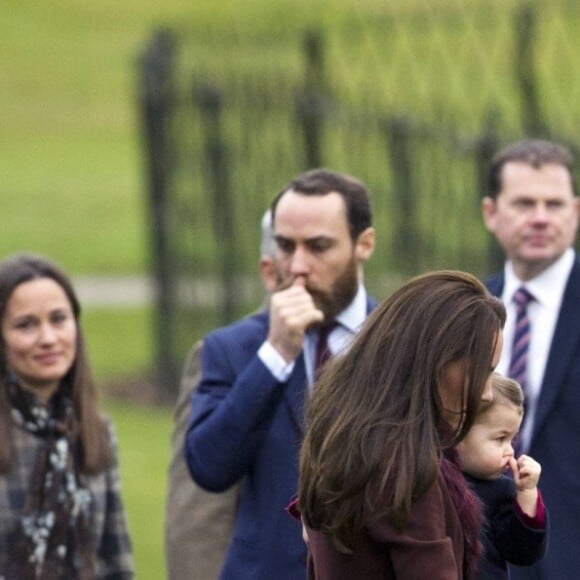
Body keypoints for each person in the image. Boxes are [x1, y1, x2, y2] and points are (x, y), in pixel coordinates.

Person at [184, 168, 377, 580]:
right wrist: (276, 354)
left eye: (318, 247)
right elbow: (209, 466)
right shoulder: (234, 349)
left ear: (364, 244)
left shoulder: (401, 338)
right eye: (286, 247)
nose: (298, 266)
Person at [297, 270, 506, 579]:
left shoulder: (346, 439)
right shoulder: (403, 467)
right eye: (480, 372)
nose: (487, 393)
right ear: (435, 359)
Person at [0, 254, 134, 578]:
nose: (48, 339)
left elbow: (115, 560)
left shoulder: (95, 430)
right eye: (26, 325)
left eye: (58, 319)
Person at [482, 138, 580, 579]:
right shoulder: (466, 312)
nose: (540, 217)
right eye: (524, 203)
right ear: (491, 213)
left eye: (554, 204)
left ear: (575, 212)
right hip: (484, 555)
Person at [165, 210, 278, 580]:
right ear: (270, 266)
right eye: (291, 246)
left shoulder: (386, 345)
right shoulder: (224, 356)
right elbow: (198, 517)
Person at [457, 373, 548, 579]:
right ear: (460, 431)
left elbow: (523, 552)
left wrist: (527, 495)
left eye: (512, 440)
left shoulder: (503, 492)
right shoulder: (432, 477)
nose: (510, 451)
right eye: (500, 438)